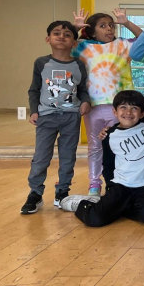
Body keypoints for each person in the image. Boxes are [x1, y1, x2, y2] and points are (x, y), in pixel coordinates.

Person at [72, 8, 144, 196]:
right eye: (103, 26)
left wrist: (126, 22)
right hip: (93, 106)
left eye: (111, 25)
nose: (109, 29)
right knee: (95, 147)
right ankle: (94, 184)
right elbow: (66, 42)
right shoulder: (84, 47)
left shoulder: (123, 44)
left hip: (120, 107)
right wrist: (75, 28)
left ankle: (117, 182)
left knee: (119, 145)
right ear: (92, 31)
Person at [59, 90, 144, 227]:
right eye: (123, 107)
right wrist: (109, 187)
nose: (128, 112)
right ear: (114, 111)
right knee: (96, 220)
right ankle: (82, 204)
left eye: (134, 108)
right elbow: (108, 164)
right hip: (121, 185)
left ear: (142, 113)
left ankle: (117, 207)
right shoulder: (109, 135)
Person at [21, 21, 91, 214]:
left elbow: (82, 89)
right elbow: (34, 89)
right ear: (48, 39)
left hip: (71, 117)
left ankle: (62, 191)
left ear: (74, 43)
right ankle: (35, 193)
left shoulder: (79, 65)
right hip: (46, 117)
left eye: (67, 34)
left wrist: (85, 101)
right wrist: (34, 110)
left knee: (68, 157)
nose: (61, 37)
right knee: (41, 157)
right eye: (56, 33)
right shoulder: (41, 62)